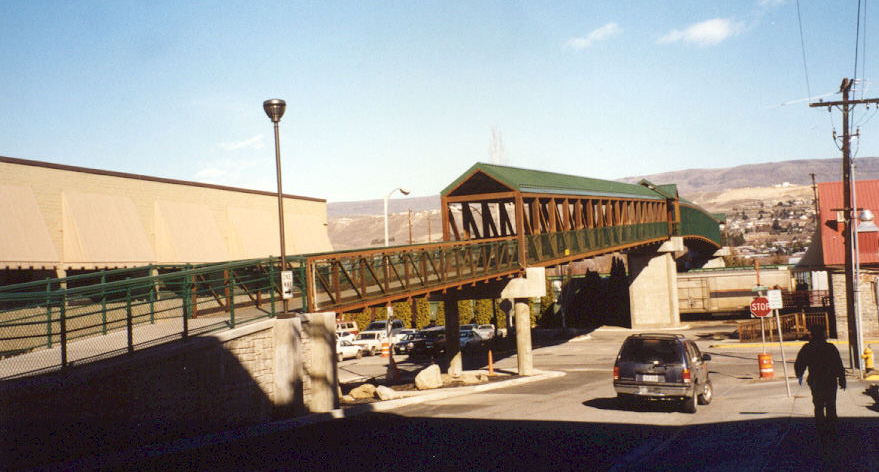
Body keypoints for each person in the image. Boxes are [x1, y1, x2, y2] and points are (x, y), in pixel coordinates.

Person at [794, 325, 846, 440]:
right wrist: (842, 379)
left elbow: (799, 363)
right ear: (823, 334)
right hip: (830, 380)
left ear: (812, 334)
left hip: (816, 380)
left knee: (818, 405)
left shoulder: (808, 348)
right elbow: (838, 364)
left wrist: (799, 374)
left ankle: (821, 430)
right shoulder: (830, 347)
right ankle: (832, 430)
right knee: (831, 404)